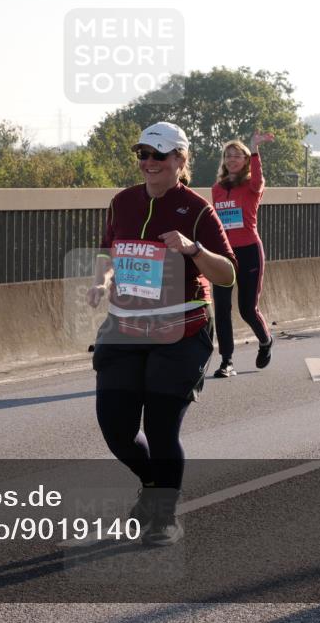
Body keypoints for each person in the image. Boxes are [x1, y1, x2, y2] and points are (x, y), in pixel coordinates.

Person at [87, 121, 237, 546]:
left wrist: (193, 249)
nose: (148, 163)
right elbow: (108, 250)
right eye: (143, 155)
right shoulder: (122, 203)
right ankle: (155, 484)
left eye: (158, 155)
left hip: (181, 332)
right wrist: (102, 279)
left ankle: (163, 516)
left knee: (160, 427)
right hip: (125, 328)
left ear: (180, 160)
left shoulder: (198, 210)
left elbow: (226, 274)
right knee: (115, 428)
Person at [210, 131, 274, 377]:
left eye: (237, 156)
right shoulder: (217, 189)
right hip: (224, 253)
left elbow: (258, 179)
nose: (231, 159)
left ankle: (266, 341)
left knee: (247, 309)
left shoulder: (251, 186)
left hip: (249, 251)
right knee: (222, 309)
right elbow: (216, 222)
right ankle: (227, 361)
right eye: (228, 156)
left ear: (246, 160)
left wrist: (255, 149)